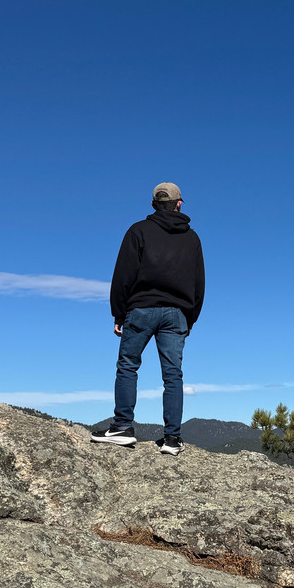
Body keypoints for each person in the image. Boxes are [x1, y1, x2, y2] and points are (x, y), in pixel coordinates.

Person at [91, 182, 205, 454]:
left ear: (154, 204)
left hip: (141, 309)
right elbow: (199, 283)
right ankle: (172, 439)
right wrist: (191, 319)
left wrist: (118, 312)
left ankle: (122, 427)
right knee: (173, 375)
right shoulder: (192, 239)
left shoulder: (138, 231)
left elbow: (123, 276)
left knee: (128, 365)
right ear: (179, 204)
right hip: (177, 313)